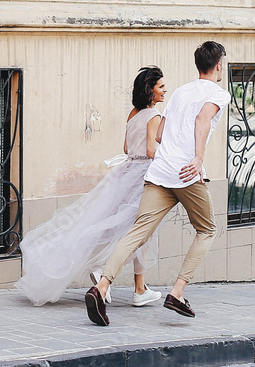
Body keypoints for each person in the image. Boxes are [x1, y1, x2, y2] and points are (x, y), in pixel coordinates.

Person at [85, 41, 230, 326]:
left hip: (160, 171)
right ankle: (177, 293)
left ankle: (101, 288)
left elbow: (161, 133)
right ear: (219, 65)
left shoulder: (179, 92)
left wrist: (175, 147)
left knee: (137, 232)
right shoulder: (218, 94)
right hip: (186, 173)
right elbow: (202, 120)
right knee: (207, 229)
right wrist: (198, 158)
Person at [15, 66, 167, 307]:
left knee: (114, 226)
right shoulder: (154, 116)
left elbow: (127, 149)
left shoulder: (133, 114)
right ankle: (128, 283)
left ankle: (137, 286)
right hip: (143, 177)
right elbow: (150, 150)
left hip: (126, 172)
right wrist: (171, 161)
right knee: (140, 233)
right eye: (160, 86)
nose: (164, 90)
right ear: (150, 91)